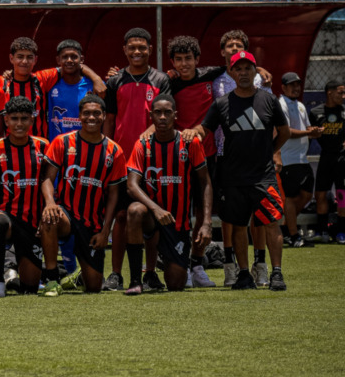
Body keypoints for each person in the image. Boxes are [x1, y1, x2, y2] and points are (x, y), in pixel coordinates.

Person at [191, 50, 290, 291]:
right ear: (232, 73)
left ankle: (276, 273)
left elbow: (284, 132)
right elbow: (205, 129)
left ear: (255, 71)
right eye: (239, 69)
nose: (243, 72)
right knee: (237, 225)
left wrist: (269, 151)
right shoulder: (222, 103)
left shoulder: (268, 100)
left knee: (271, 222)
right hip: (232, 176)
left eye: (248, 68)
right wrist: (191, 132)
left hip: (263, 176)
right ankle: (244, 274)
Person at [101, 28, 171, 291]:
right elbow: (109, 119)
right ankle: (116, 274)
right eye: (132, 47)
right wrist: (108, 151)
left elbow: (163, 116)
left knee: (148, 217)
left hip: (150, 160)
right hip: (120, 160)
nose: (137, 52)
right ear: (125, 50)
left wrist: (144, 140)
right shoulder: (115, 80)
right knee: (120, 216)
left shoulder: (161, 79)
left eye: (142, 47)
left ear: (150, 49)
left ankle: (150, 272)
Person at [125, 96, 215, 294]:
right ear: (151, 116)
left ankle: (161, 259)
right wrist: (156, 209)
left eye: (167, 113)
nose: (163, 117)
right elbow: (131, 185)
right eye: (158, 112)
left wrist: (207, 222)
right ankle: (135, 280)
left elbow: (205, 182)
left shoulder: (189, 143)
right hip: (152, 216)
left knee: (176, 284)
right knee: (134, 210)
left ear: (176, 115)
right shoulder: (143, 145)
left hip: (178, 224)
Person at [40, 95, 127, 295]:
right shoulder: (63, 142)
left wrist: (106, 231)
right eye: (86, 113)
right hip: (66, 214)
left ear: (104, 116)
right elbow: (47, 179)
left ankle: (78, 277)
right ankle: (53, 280)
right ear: (79, 116)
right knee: (49, 218)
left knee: (95, 286)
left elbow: (114, 194)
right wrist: (50, 203)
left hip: (92, 223)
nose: (91, 117)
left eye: (96, 113)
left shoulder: (115, 151)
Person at [0, 97, 48, 297]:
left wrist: (45, 212)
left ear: (32, 120)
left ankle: (12, 279)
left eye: (24, 119)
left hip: (32, 221)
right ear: (6, 120)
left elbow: (49, 181)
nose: (19, 123)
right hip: (6, 217)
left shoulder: (43, 146)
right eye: (15, 118)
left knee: (30, 287)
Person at [278, 72, 321, 248]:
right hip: (288, 158)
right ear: (283, 87)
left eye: (298, 84)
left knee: (306, 195)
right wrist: (310, 133)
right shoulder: (281, 104)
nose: (296, 88)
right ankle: (293, 235)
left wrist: (313, 130)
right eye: (292, 85)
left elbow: (305, 127)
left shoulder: (301, 105)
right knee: (291, 197)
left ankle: (286, 228)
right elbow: (286, 131)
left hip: (301, 158)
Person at [45, 40, 107, 141]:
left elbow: (107, 117)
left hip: (88, 146)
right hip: (57, 148)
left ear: (81, 59)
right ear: (58, 60)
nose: (69, 60)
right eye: (65, 57)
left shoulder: (96, 86)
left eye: (74, 57)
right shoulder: (50, 84)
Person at [308, 80, 345, 244]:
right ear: (329, 92)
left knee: (342, 195)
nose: (343, 97)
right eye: (340, 93)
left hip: (342, 158)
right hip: (326, 157)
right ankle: (322, 230)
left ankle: (341, 231)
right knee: (320, 194)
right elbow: (309, 133)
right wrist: (314, 132)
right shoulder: (316, 112)